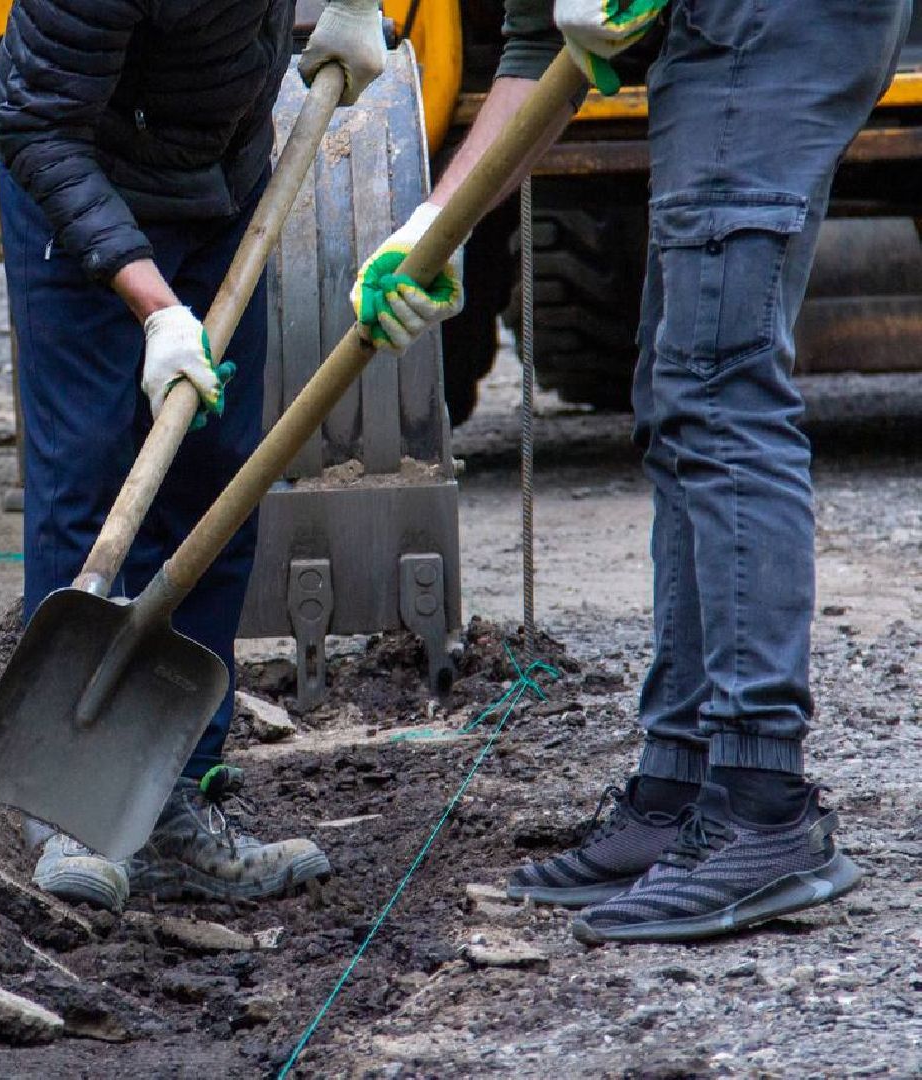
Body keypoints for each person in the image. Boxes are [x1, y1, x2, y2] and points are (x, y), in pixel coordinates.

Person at [362, 0, 912, 943]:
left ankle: (761, 802)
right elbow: (541, 44)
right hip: (712, 43)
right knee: (677, 395)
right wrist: (431, 227)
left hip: (772, 23)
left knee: (721, 389)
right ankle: (681, 785)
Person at [0, 0, 418, 911]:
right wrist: (156, 311)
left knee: (219, 483)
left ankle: (176, 795)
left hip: (221, 185)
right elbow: (30, 121)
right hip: (82, 192)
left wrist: (350, 6)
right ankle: (70, 809)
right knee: (93, 477)